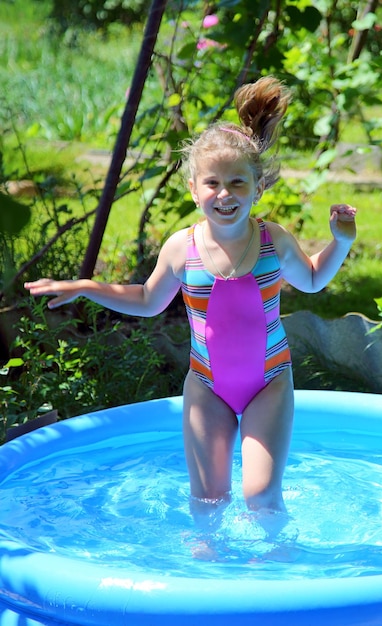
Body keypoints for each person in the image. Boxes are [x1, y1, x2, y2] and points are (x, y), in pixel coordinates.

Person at [24, 76, 356, 529]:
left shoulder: (271, 241)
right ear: (194, 189)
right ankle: (207, 571)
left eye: (238, 184)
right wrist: (86, 286)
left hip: (269, 382)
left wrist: (339, 243)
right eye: (213, 183)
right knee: (208, 502)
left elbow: (314, 279)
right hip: (207, 386)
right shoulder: (183, 248)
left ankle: (279, 568)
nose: (225, 194)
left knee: (260, 497)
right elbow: (146, 299)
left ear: (258, 189)